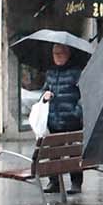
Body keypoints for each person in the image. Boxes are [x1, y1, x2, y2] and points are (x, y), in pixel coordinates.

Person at [42, 43, 84, 194]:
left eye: (61, 53)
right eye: (55, 53)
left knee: (74, 152)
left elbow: (84, 95)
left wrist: (76, 112)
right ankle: (54, 182)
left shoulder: (76, 73)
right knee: (54, 152)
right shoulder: (50, 73)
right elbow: (45, 90)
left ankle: (76, 183)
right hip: (54, 119)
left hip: (71, 119)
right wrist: (45, 96)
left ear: (68, 54)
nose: (58, 56)